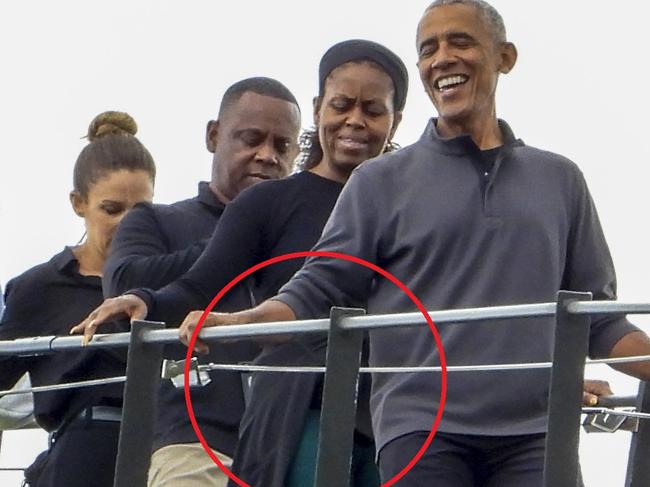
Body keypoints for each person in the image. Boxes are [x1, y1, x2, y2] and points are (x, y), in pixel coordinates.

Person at [172, 1, 650, 485]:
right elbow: (316, 289)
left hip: (538, 434)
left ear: (504, 57)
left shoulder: (560, 180)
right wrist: (238, 322)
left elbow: (600, 321)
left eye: (460, 41)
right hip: (421, 429)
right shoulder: (380, 181)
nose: (442, 57)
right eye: (428, 49)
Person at [73, 39, 407, 486]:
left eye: (372, 109)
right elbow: (201, 284)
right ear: (318, 108)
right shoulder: (270, 202)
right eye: (342, 104)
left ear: (395, 120)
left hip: (402, 413)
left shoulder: (414, 201)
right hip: (299, 413)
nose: (354, 121)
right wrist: (143, 301)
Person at [75, 77, 302, 487]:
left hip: (289, 445)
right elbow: (124, 284)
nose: (267, 155)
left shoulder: (302, 233)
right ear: (214, 135)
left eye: (282, 146)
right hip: (194, 445)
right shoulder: (157, 220)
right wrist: (238, 239)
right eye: (251, 138)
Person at [0, 110, 155, 487]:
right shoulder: (40, 287)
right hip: (83, 455)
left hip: (163, 449)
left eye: (141, 211)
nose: (127, 223)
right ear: (78, 203)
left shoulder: (170, 280)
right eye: (112, 209)